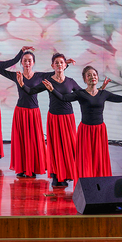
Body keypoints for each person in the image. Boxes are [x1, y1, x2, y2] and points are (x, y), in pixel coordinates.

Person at [45, 68, 122, 184]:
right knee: (85, 158)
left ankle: (100, 182)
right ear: (84, 79)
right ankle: (85, 183)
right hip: (85, 130)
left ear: (97, 77)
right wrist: (52, 90)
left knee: (99, 158)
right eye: (89, 75)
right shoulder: (80, 94)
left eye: (94, 75)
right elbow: (64, 98)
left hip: (99, 130)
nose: (92, 77)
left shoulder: (103, 94)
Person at [0, 51, 49, 178]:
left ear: (33, 62)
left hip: (33, 112)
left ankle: (32, 168)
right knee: (21, 141)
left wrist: (66, 64)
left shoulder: (39, 76)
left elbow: (57, 73)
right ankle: (21, 168)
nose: (27, 63)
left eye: (29, 60)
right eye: (24, 60)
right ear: (21, 62)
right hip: (20, 112)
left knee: (33, 141)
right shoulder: (17, 75)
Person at [41, 53, 82, 188]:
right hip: (53, 117)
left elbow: (82, 94)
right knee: (55, 147)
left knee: (69, 147)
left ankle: (67, 174)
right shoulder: (48, 80)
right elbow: (32, 89)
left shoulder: (70, 81)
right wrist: (22, 85)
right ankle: (56, 176)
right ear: (52, 65)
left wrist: (98, 91)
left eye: (61, 63)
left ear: (65, 65)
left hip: (68, 118)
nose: (59, 65)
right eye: (56, 63)